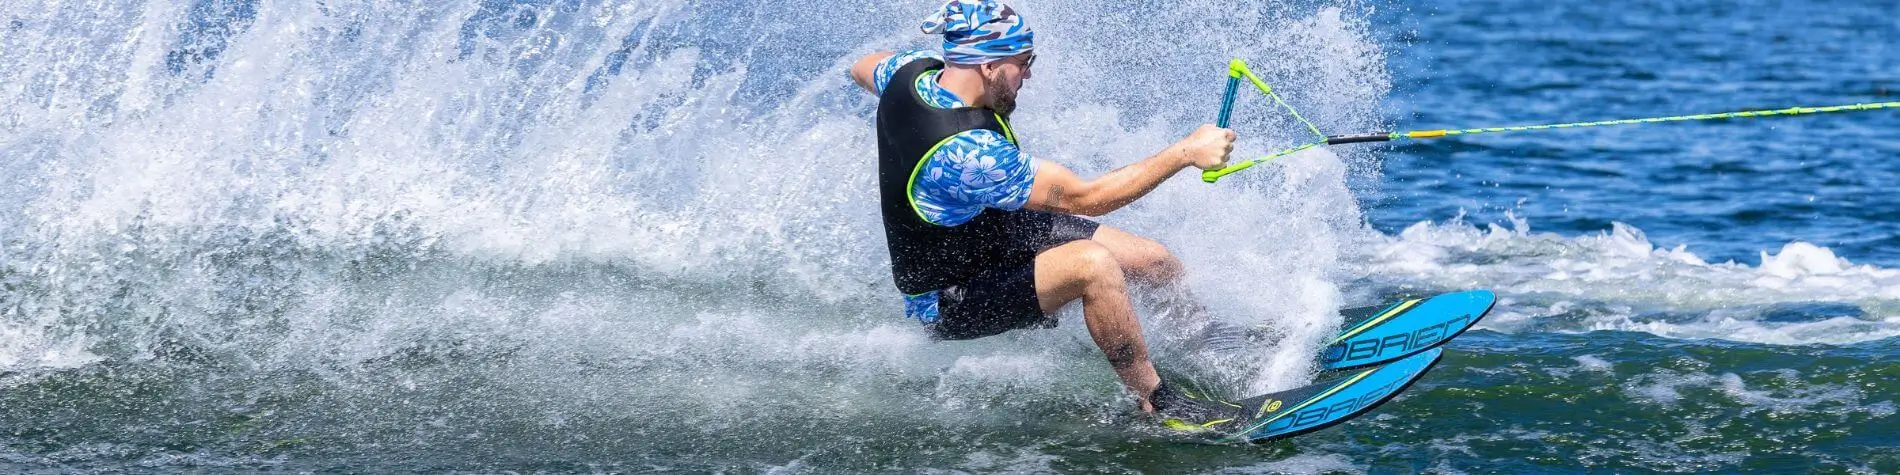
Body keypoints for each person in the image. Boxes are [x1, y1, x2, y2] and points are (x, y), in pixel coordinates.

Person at [848, 0, 1236, 422]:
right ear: (988, 67)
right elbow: (1088, 197)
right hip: (953, 295)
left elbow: (863, 66)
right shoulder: (968, 153)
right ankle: (1157, 405)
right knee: (1092, 266)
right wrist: (1184, 153)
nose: (1028, 74)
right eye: (1023, 62)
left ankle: (1214, 342)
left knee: (1154, 262)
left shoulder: (912, 73)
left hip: (989, 232)